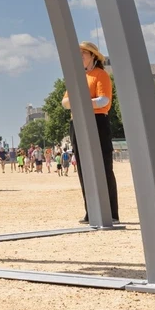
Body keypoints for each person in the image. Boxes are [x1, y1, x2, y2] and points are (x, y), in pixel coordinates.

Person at [61, 42, 119, 224]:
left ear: (93, 56)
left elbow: (103, 101)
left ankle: (111, 212)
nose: (79, 57)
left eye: (83, 53)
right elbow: (65, 102)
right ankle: (91, 210)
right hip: (77, 122)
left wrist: (80, 101)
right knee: (84, 169)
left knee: (103, 166)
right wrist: (82, 101)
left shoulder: (101, 75)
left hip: (97, 121)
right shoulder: (76, 77)